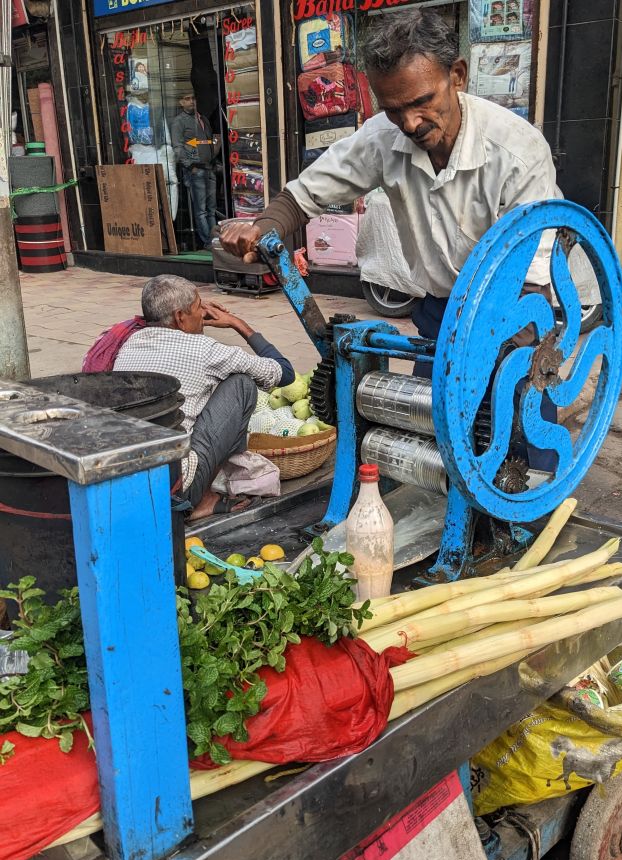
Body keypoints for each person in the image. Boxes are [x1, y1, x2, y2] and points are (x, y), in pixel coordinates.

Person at [218, 9, 559, 469]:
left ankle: (539, 508)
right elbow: (306, 195)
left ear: (456, 75)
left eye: (422, 101)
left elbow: (530, 271)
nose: (411, 122)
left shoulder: (517, 151)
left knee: (521, 431)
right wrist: (263, 228)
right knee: (434, 444)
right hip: (441, 310)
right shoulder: (382, 137)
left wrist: (500, 358)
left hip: (515, 310)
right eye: (393, 109)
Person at [114, 275, 295, 520]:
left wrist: (195, 318)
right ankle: (204, 499)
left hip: (129, 484)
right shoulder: (204, 350)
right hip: (178, 490)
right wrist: (236, 323)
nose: (204, 313)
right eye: (199, 307)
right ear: (180, 317)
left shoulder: (130, 343)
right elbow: (284, 372)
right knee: (241, 384)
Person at [171, 91, 219, 249]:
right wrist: (189, 166)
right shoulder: (179, 121)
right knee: (201, 210)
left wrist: (214, 160)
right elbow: (177, 147)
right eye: (187, 99)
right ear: (181, 102)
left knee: (211, 209)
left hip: (208, 168)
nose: (191, 101)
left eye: (193, 98)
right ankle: (208, 241)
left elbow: (209, 141)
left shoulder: (202, 118)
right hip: (195, 169)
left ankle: (215, 239)